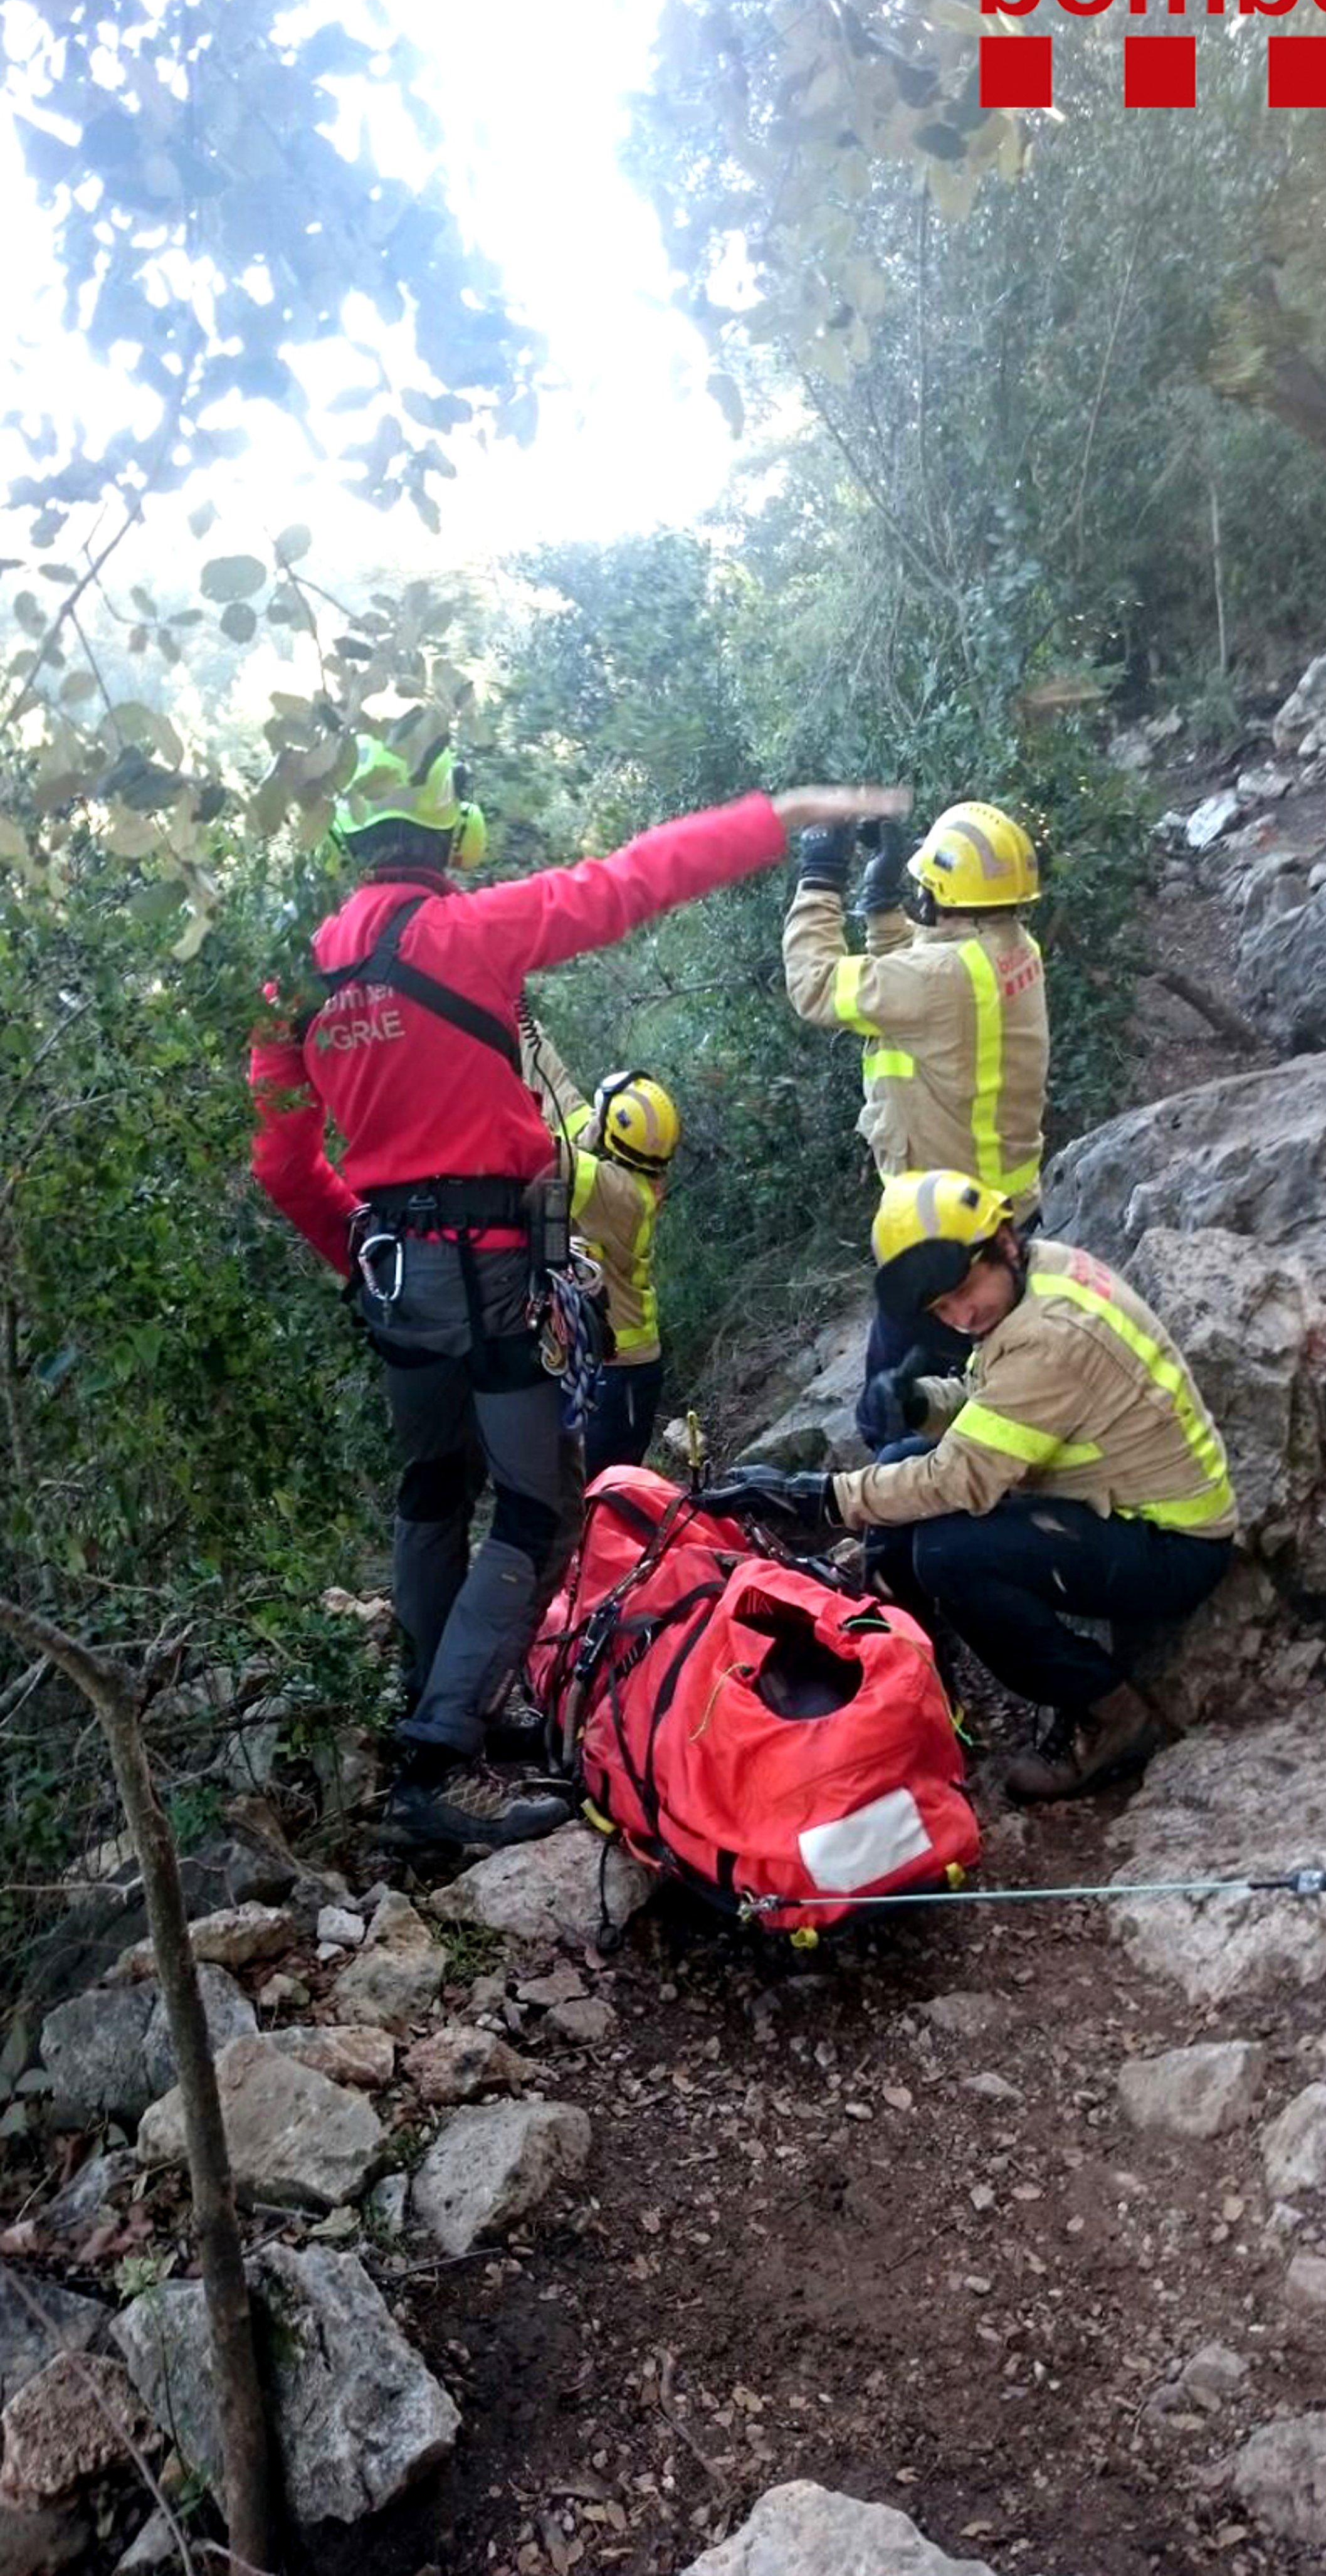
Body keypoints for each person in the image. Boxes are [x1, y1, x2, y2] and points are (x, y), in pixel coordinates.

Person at [250, 727, 905, 1847]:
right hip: (487, 1269)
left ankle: (441, 1706)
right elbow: (631, 880)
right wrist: (784, 811)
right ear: (450, 827)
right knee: (541, 1504)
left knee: (430, 1493)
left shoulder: (294, 973)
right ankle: (434, 1757)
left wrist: (358, 1248)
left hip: (395, 1274)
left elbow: (279, 1161)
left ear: (351, 838)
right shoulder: (469, 929)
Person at [712, 1169, 1236, 1804]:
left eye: (963, 1291)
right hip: (1118, 1506)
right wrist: (918, 1405)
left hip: (1171, 1544)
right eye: (940, 1309)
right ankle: (917, 1673)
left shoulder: (1050, 1333)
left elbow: (964, 1477)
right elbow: (998, 1402)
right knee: (906, 1460)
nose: (960, 1316)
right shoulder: (1037, 1278)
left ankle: (1108, 1711)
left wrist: (822, 1496)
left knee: (948, 1555)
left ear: (1004, 1245)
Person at [781, 800, 1049, 1437]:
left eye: (926, 887)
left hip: (945, 1240)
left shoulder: (940, 977)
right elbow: (921, 980)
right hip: (1007, 1210)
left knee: (894, 1414)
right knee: (982, 1388)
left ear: (943, 896)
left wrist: (821, 877)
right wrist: (881, 906)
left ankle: (913, 1514)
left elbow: (814, 986)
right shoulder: (1007, 951)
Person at [522, 1013, 678, 1477]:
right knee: (581, 1492)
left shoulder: (617, 1193)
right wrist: (520, 1020)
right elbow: (559, 1094)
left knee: (601, 1495)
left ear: (612, 1139)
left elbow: (540, 1148)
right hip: (606, 1367)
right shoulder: (627, 1169)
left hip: (620, 1374)